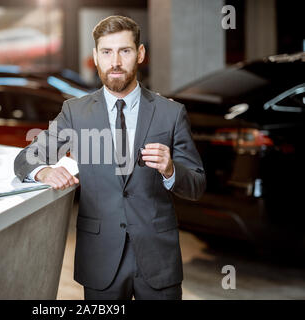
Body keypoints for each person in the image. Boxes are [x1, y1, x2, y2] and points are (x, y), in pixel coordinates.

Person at [14, 15, 206, 300]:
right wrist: (43, 172)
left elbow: (197, 185)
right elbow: (25, 158)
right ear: (95, 57)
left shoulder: (170, 113)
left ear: (140, 54)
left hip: (157, 257)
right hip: (100, 258)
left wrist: (170, 169)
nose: (115, 61)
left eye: (124, 51)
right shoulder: (75, 112)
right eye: (106, 52)